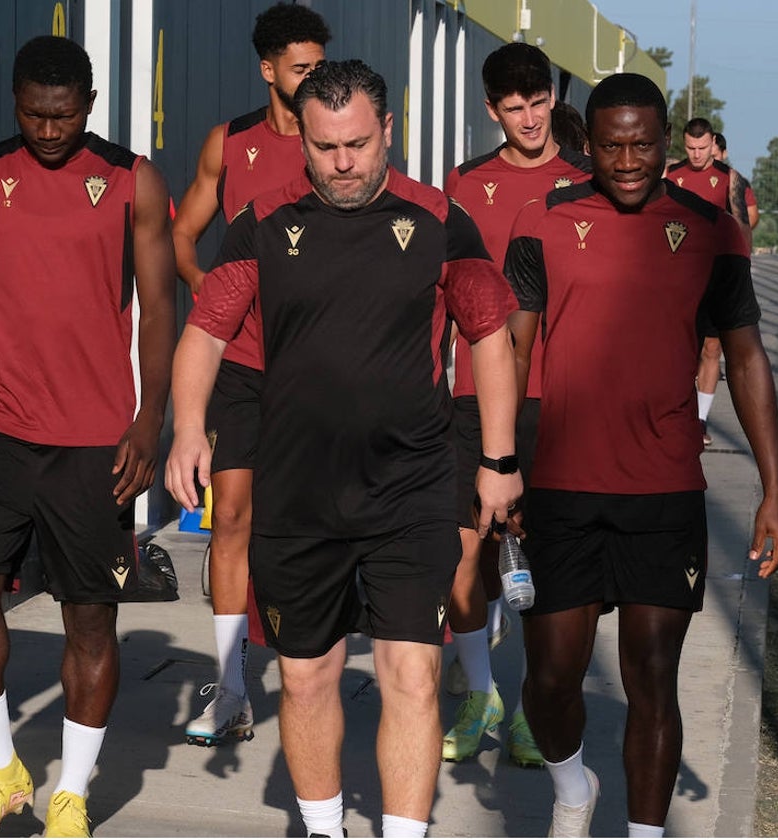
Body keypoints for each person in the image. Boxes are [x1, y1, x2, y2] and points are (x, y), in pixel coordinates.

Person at [166, 59, 522, 839]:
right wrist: (188, 426)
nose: (344, 163)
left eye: (358, 143)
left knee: (413, 676)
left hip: (412, 485)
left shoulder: (438, 220)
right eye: (326, 147)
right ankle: (324, 830)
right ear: (303, 139)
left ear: (387, 130)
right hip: (299, 491)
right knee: (305, 678)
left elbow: (490, 335)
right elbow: (206, 329)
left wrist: (498, 461)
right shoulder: (261, 220)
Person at [504, 72, 778, 837]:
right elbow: (510, 352)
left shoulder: (710, 228)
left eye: (642, 145)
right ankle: (572, 786)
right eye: (611, 146)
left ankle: (644, 833)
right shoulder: (543, 219)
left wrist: (774, 489)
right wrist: (496, 462)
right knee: (551, 681)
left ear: (668, 144)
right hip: (561, 489)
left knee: (652, 678)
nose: (627, 160)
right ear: (587, 145)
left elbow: (747, 358)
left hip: (664, 494)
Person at [0, 35, 175, 838]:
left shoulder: (132, 180)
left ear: (88, 106)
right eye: (33, 115)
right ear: (15, 104)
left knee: (90, 620)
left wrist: (149, 420)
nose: (48, 130)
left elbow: (161, 310)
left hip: (95, 443)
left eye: (62, 116)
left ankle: (74, 793)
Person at [171, 2, 330, 748]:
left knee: (308, 528)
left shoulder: (338, 139)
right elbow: (182, 232)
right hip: (243, 364)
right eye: (301, 69)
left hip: (322, 366)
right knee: (230, 516)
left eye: (320, 67)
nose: (313, 79)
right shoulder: (228, 143)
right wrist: (210, 293)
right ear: (268, 69)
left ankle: (312, 671)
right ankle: (232, 687)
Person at [439, 41, 591, 768]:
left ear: (553, 100)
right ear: (492, 109)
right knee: (464, 558)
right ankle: (478, 695)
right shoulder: (465, 181)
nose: (529, 118)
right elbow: (443, 287)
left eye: (539, 103)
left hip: (558, 402)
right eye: (514, 107)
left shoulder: (589, 180)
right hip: (473, 396)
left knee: (544, 564)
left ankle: (535, 703)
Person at [667, 117, 751, 447]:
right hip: (678, 279)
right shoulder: (672, 176)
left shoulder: (729, 179)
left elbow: (743, 224)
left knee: (711, 348)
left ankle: (700, 421)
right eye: (690, 148)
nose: (697, 154)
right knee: (679, 346)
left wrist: (740, 272)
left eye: (702, 148)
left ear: (713, 144)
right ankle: (676, 411)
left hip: (715, 278)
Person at [712, 132, 760, 230]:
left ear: (724, 154)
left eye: (714, 157)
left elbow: (753, 216)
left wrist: (734, 233)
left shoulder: (737, 182)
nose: (710, 162)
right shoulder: (686, 178)